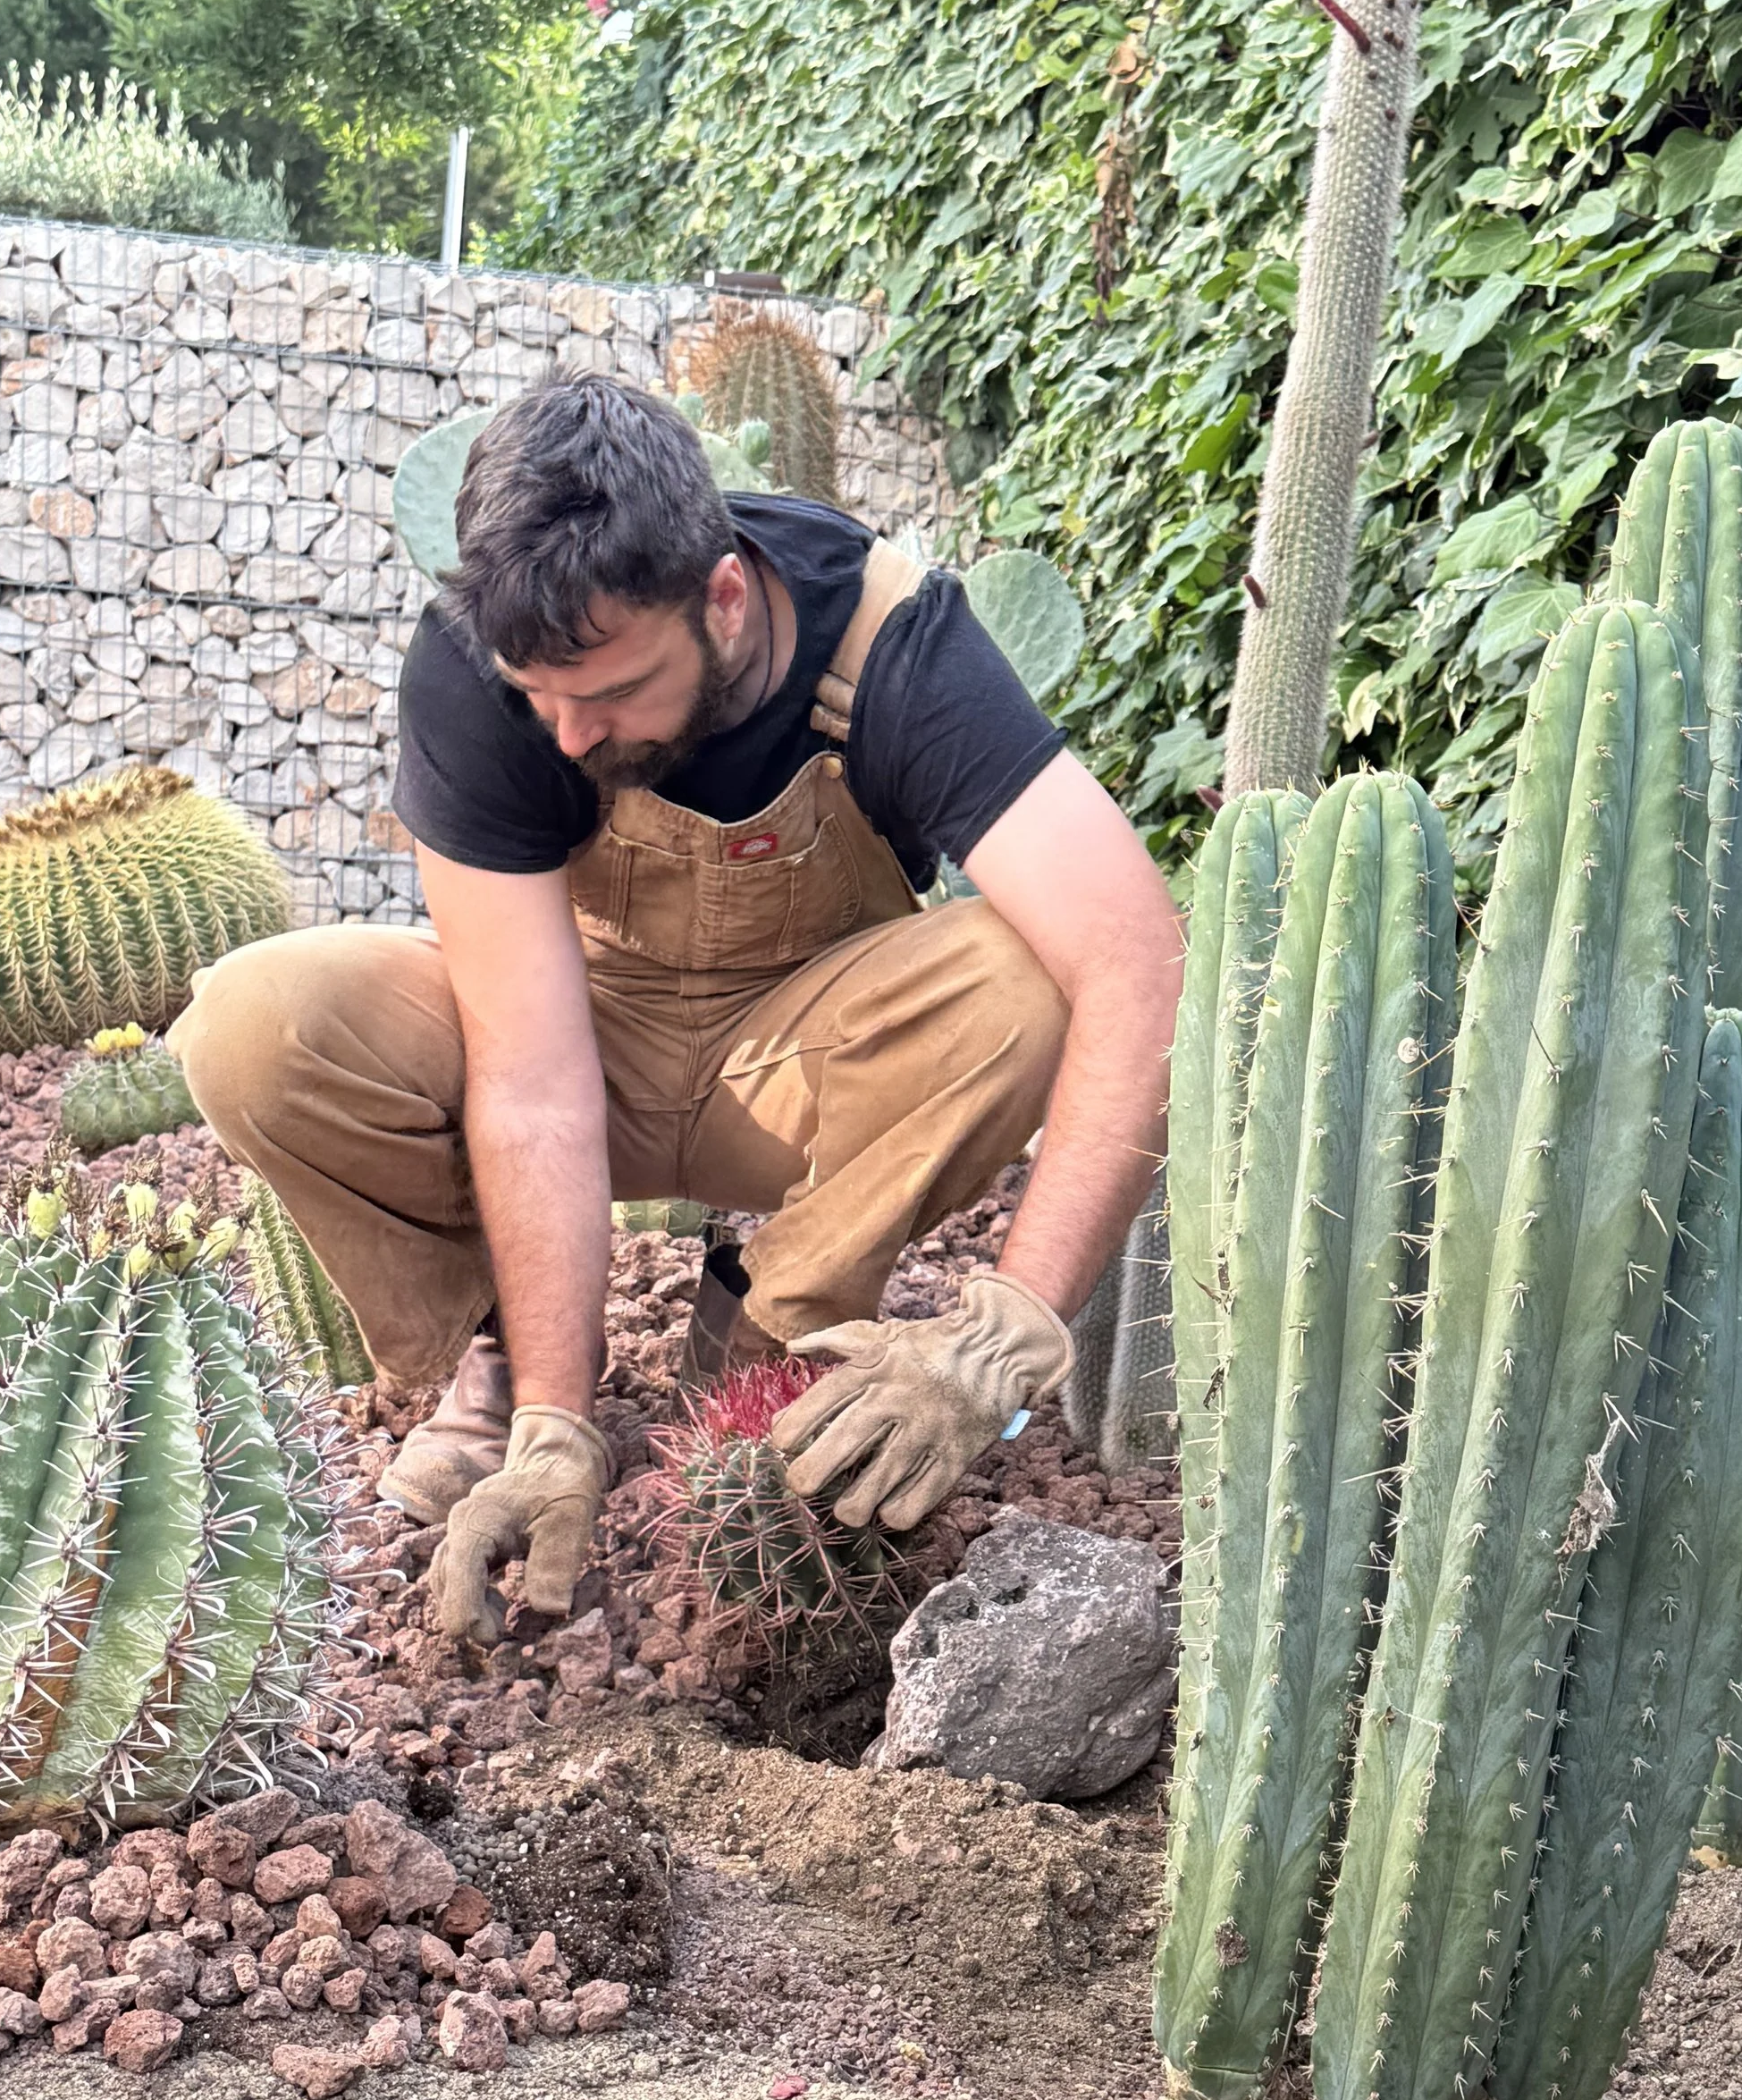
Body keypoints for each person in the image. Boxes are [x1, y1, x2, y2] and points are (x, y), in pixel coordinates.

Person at [173, 375, 1182, 1645]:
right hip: (579, 1047)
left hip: (805, 1065)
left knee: (1033, 969)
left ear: (721, 595)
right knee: (258, 1024)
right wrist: (556, 1418)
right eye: (540, 694)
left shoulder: (894, 642)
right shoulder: (484, 676)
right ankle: (494, 1355)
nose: (573, 731)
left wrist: (1008, 1337)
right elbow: (531, 1074)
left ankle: (769, 1312)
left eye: (614, 688)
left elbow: (1138, 961)